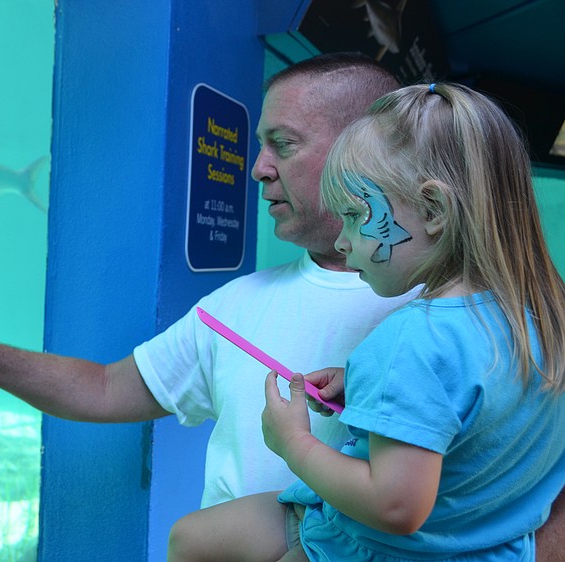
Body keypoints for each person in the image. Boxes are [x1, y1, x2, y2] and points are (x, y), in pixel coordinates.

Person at [0, 55, 565, 558]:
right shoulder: (238, 307)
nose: (257, 167)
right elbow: (103, 388)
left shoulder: (469, 318)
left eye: (281, 144)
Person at [167, 82, 565, 562]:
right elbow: (471, 414)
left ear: (434, 211)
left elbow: (395, 507)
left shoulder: (413, 340)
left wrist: (293, 443)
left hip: (372, 546)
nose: (342, 242)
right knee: (194, 537)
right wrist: (363, 386)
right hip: (482, 540)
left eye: (356, 216)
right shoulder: (538, 318)